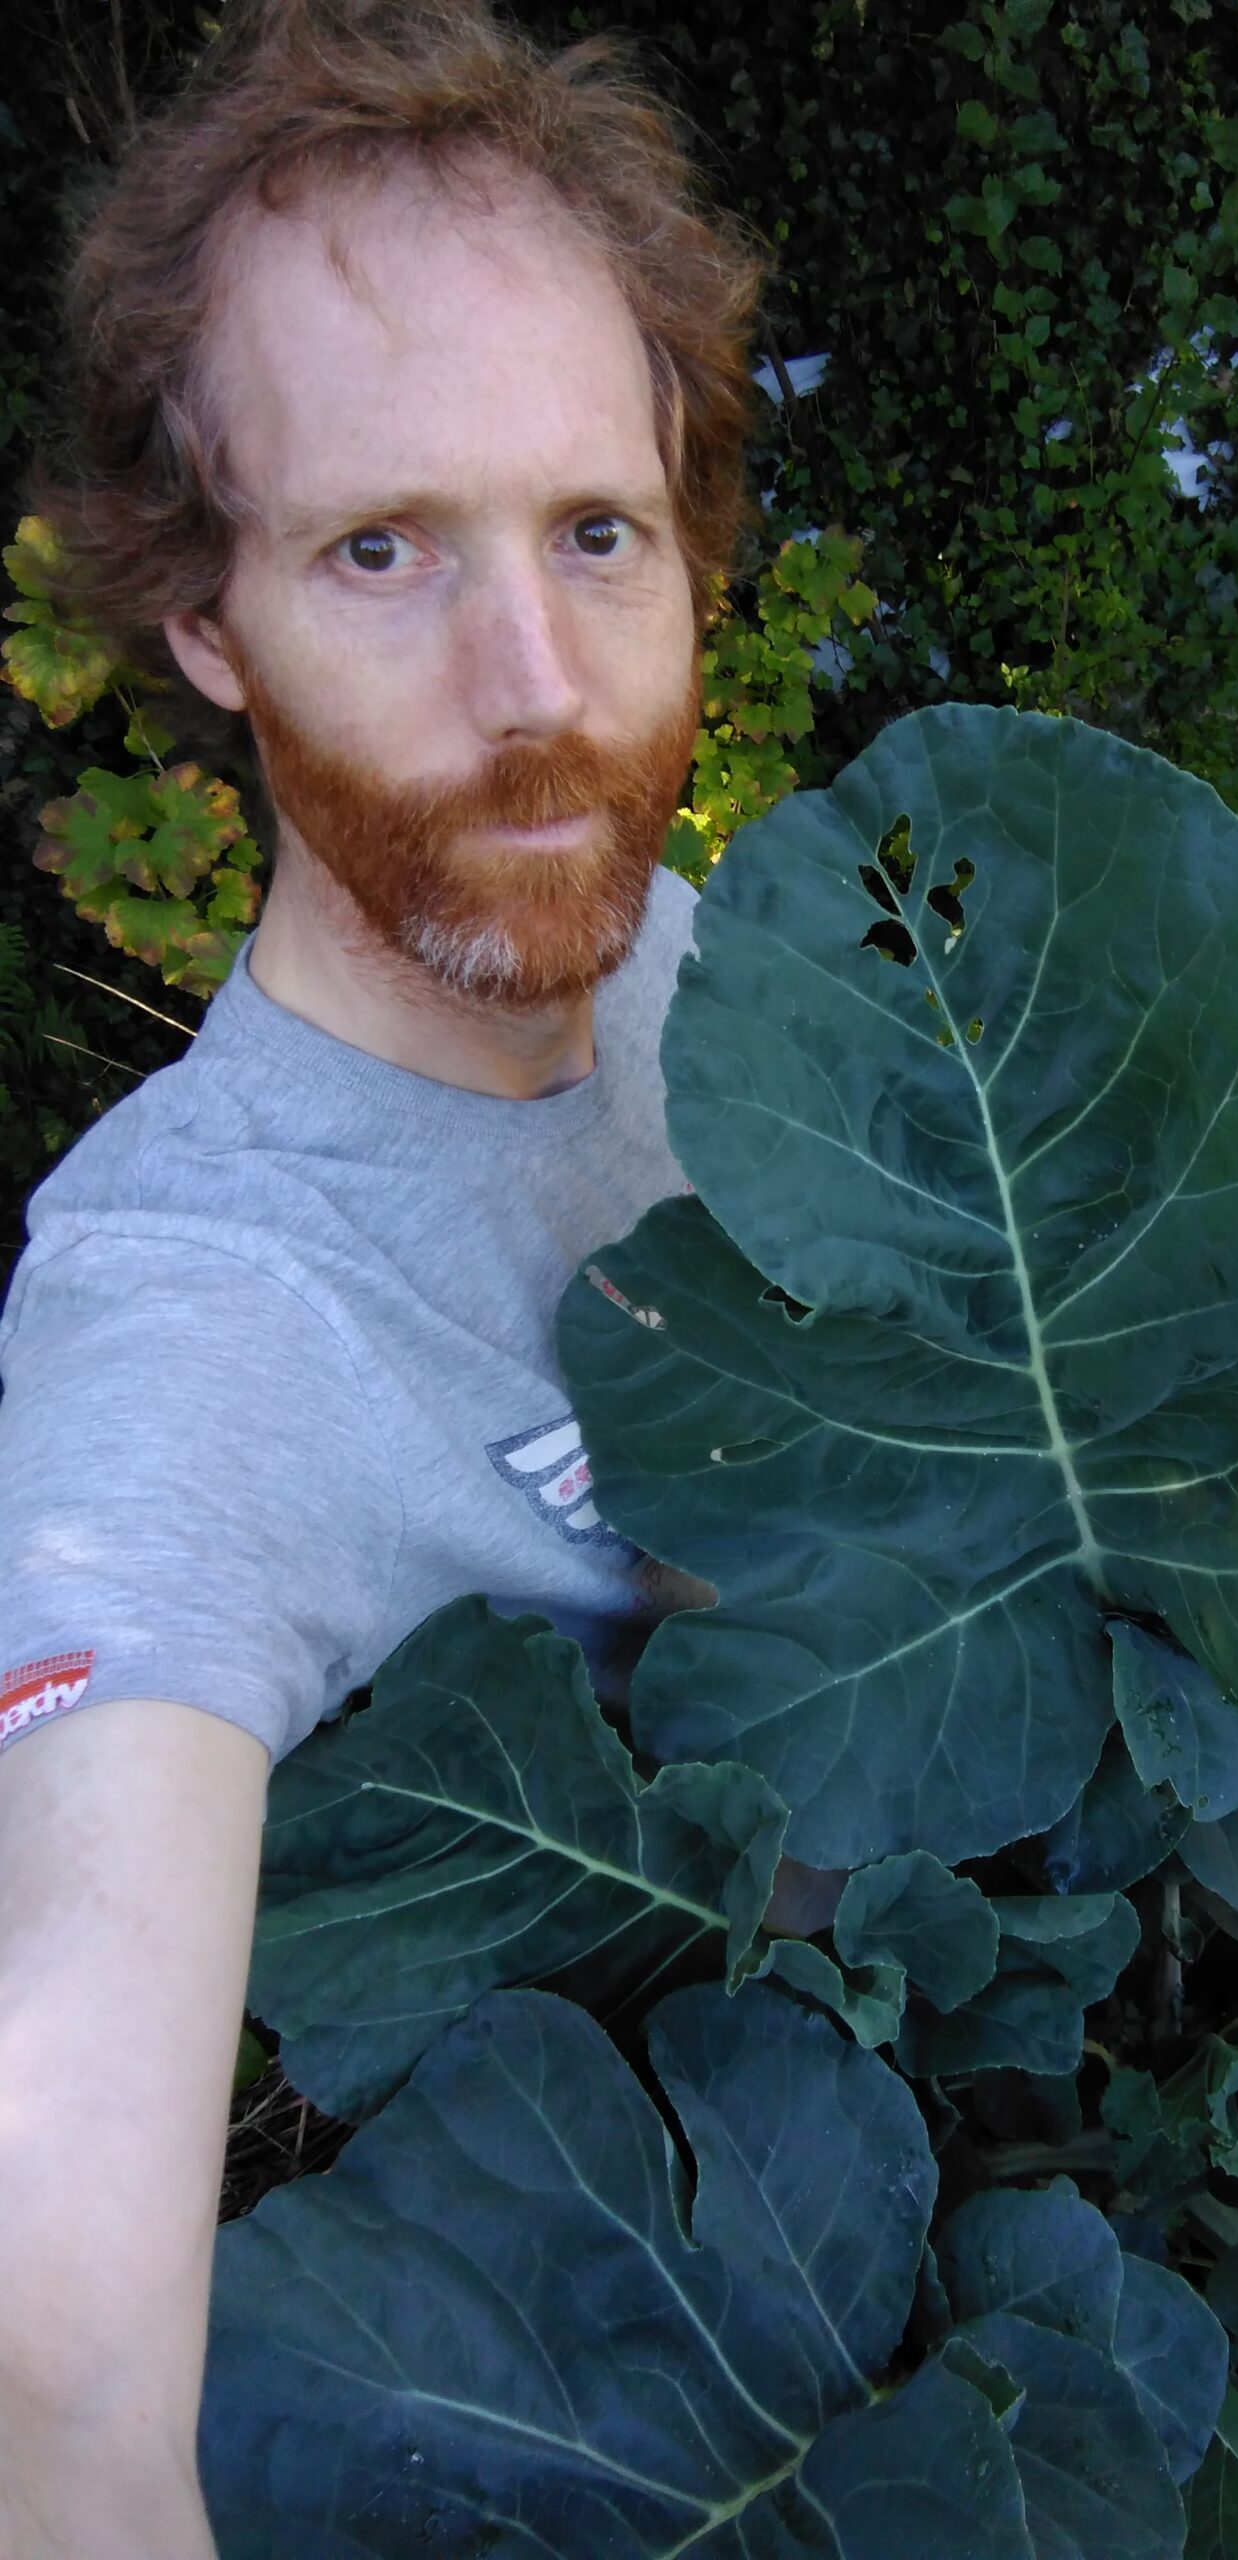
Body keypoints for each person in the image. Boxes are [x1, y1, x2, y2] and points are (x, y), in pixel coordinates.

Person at [0, 4, 771, 2548]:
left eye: (594, 532)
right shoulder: (190, 1312)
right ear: (205, 621)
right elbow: (55, 2349)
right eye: (378, 547)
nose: (538, 692)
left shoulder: (729, 974)